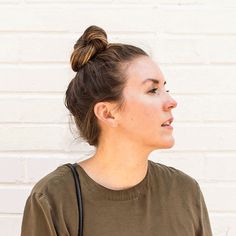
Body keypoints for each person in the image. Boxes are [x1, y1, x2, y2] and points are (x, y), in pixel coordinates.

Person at [20, 25, 213, 236]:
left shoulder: (184, 193)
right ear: (107, 113)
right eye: (153, 90)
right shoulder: (54, 198)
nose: (171, 102)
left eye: (166, 89)